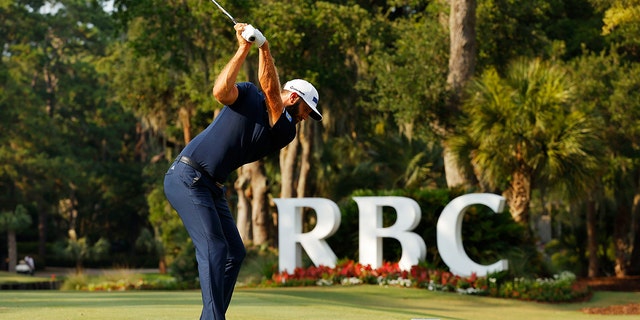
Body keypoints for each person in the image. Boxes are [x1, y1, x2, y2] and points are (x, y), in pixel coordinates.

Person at [163, 23, 321, 320]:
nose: (304, 119)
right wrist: (245, 47)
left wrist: (265, 47)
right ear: (296, 99)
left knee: (234, 252)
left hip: (210, 186)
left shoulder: (285, 129)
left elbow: (272, 93)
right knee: (215, 247)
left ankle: (211, 317)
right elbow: (221, 91)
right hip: (186, 177)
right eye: (306, 113)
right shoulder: (248, 93)